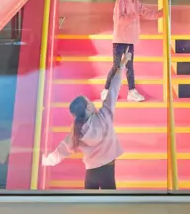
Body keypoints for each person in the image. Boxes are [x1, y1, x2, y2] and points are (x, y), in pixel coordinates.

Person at [42, 51, 130, 189]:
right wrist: (122, 65)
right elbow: (114, 89)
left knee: (89, 207)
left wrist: (45, 161)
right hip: (108, 171)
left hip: (91, 174)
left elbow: (61, 150)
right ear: (89, 107)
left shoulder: (77, 132)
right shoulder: (104, 115)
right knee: (110, 207)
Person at [101, 0, 164, 103]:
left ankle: (132, 91)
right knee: (117, 66)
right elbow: (120, 20)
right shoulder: (120, 2)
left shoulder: (136, 3)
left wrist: (159, 14)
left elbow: (146, 13)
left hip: (130, 41)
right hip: (120, 41)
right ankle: (106, 89)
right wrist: (133, 15)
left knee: (130, 67)